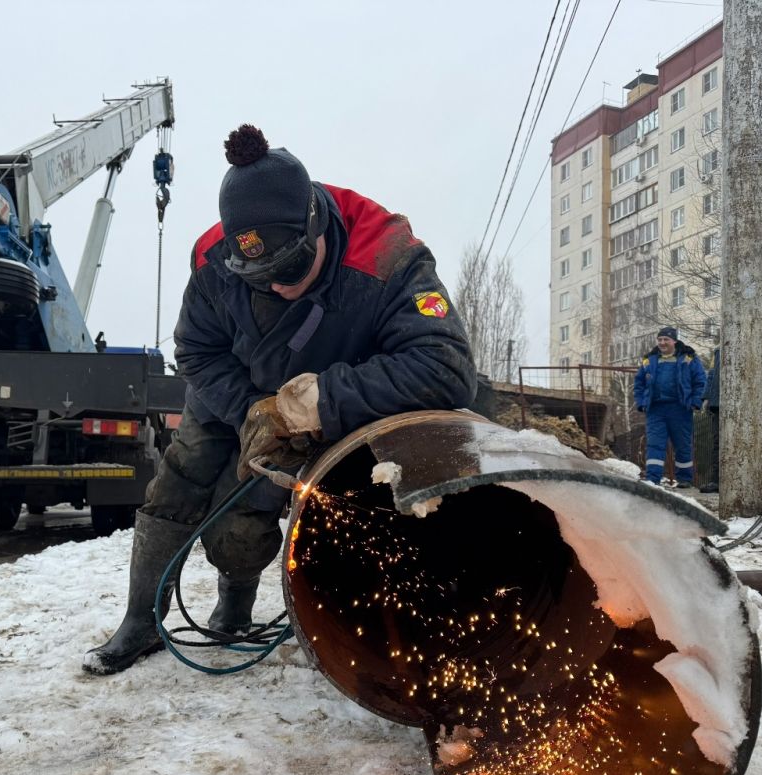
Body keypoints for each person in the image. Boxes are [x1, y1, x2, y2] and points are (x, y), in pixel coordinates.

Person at [83, 124, 478, 675]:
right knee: (178, 478)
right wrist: (250, 408)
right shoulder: (212, 260)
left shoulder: (386, 256)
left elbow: (447, 367)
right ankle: (140, 619)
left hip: (330, 403)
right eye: (260, 278)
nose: (278, 287)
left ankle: (235, 603)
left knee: (242, 522)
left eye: (290, 269)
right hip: (235, 389)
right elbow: (196, 351)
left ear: (317, 224)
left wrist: (314, 403)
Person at [633, 326, 706, 488]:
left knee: (682, 444)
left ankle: (685, 479)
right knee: (655, 444)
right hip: (655, 409)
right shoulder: (649, 360)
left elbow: (700, 381)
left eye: (666, 339)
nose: (662, 343)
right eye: (660, 340)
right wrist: (641, 402)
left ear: (674, 341)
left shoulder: (688, 358)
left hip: (680, 408)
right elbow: (639, 384)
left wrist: (695, 401)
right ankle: (653, 479)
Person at [699, 345, 721, 493]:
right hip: (719, 402)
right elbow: (712, 374)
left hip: (745, 401)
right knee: (718, 443)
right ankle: (717, 480)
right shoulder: (719, 348)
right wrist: (707, 397)